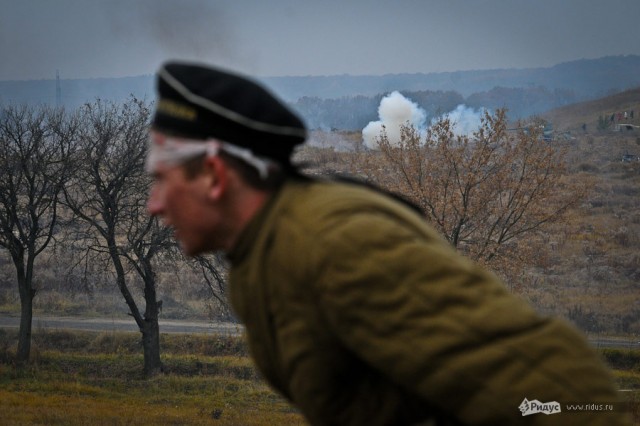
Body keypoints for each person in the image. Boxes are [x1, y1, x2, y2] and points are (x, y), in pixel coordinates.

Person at [146, 61, 631, 425]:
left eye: (161, 180)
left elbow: (555, 377)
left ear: (212, 175)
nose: (153, 204)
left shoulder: (332, 243)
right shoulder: (263, 250)